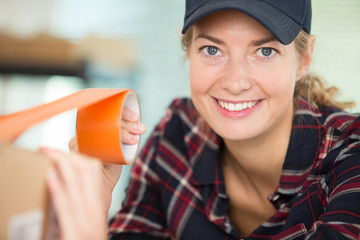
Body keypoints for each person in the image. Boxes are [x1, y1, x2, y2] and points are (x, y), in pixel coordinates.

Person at [43, 0, 360, 239]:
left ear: (303, 59)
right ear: (189, 53)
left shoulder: (351, 155)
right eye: (212, 49)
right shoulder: (176, 135)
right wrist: (94, 205)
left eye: (264, 52)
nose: (235, 83)